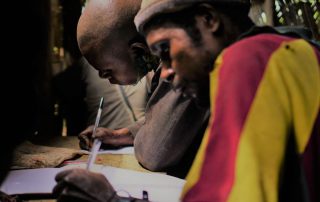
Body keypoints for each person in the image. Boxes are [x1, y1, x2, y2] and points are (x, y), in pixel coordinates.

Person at [54, 0, 319, 202]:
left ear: (208, 20)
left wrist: (113, 200)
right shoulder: (287, 51)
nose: (166, 74)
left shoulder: (248, 61)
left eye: (166, 50)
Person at [76, 0, 210, 178]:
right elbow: (164, 121)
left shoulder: (187, 63)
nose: (166, 73)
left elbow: (155, 151)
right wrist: (122, 134)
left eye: (107, 72)